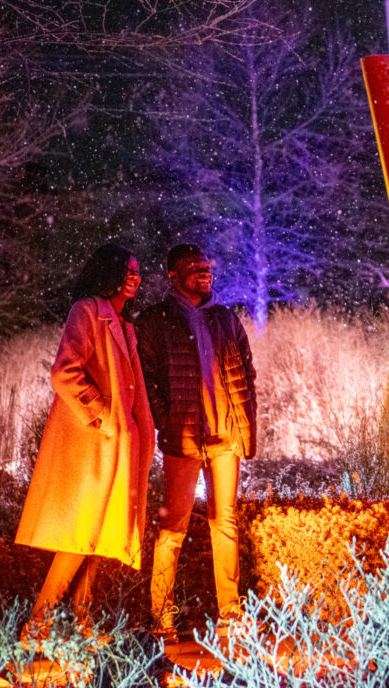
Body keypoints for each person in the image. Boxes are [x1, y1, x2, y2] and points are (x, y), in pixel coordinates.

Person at [15, 244, 155, 640]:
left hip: (117, 443)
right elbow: (64, 371)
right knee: (82, 533)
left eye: (138, 271)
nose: (135, 278)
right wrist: (101, 416)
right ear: (107, 271)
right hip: (90, 443)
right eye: (127, 270)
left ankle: (83, 620)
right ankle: (38, 625)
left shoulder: (125, 325)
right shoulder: (89, 311)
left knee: (102, 534)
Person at [136, 244, 257, 644]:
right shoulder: (157, 320)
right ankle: (161, 618)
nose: (204, 272)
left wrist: (244, 423)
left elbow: (246, 372)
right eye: (194, 268)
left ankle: (231, 614)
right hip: (182, 439)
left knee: (225, 523)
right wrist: (164, 418)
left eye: (207, 266)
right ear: (173, 275)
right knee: (172, 528)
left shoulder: (224, 318)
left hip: (224, 438)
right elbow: (147, 376)